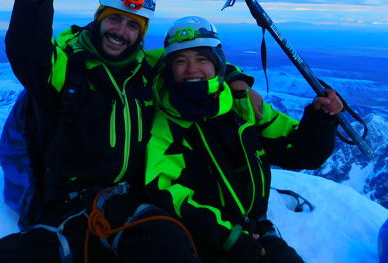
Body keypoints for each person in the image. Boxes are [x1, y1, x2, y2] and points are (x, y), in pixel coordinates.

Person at [0, 0, 199, 263]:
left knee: (172, 244)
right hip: (67, 206)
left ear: (141, 32)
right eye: (113, 18)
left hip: (129, 202)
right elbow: (27, 53)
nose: (120, 31)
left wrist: (236, 81)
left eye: (132, 24)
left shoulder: (147, 71)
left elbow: (192, 62)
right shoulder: (67, 65)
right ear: (99, 17)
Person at [145, 16, 343, 262]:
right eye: (180, 61)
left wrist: (320, 119)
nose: (192, 68)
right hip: (206, 240)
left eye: (202, 58)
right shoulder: (165, 124)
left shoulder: (242, 107)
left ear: (217, 64)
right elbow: (164, 190)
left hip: (256, 228)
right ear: (169, 70)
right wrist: (230, 236)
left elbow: (302, 152)